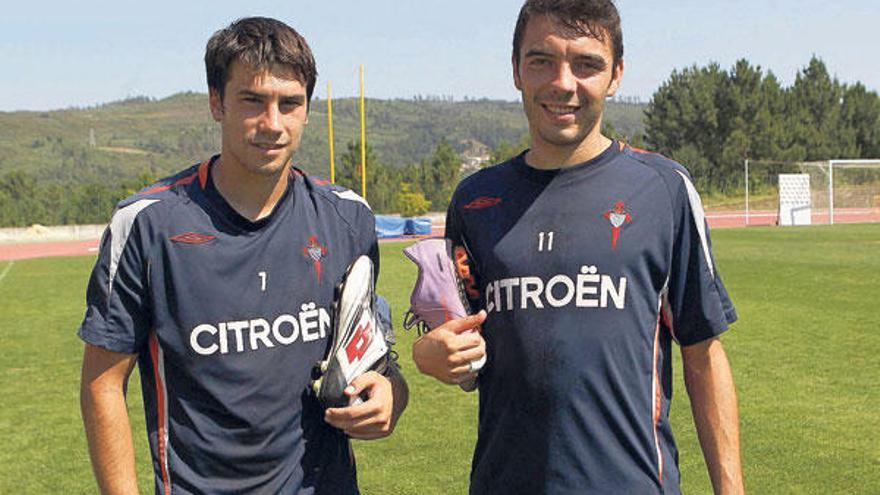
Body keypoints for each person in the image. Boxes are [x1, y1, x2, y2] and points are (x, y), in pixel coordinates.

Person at [411, 1, 744, 493]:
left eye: (586, 64)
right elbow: (470, 354)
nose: (562, 83)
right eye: (541, 60)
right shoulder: (476, 201)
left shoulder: (664, 189)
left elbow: (702, 350)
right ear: (516, 70)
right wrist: (433, 357)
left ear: (616, 75)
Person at [79, 17, 407, 495]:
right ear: (217, 103)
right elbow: (103, 384)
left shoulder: (348, 218)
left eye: (289, 103)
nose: (272, 124)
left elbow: (371, 353)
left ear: (307, 111)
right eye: (252, 100)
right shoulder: (148, 224)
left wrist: (391, 396)